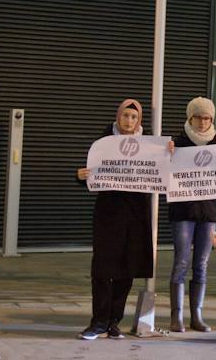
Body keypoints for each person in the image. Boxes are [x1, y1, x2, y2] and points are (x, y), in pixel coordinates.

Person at [75, 99, 153, 340]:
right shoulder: (103, 143)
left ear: (139, 121)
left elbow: (162, 171)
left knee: (127, 268)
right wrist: (81, 176)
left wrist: (168, 153)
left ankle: (113, 321)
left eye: (134, 117)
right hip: (109, 214)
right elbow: (91, 174)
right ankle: (98, 321)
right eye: (125, 116)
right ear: (118, 117)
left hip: (136, 215)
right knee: (102, 268)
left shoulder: (149, 146)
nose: (129, 121)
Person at [166, 97, 216, 333]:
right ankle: (176, 315)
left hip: (208, 213)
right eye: (198, 117)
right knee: (181, 261)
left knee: (201, 263)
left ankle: (196, 315)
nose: (202, 122)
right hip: (183, 211)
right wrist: (166, 155)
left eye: (207, 117)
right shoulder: (176, 143)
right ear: (190, 118)